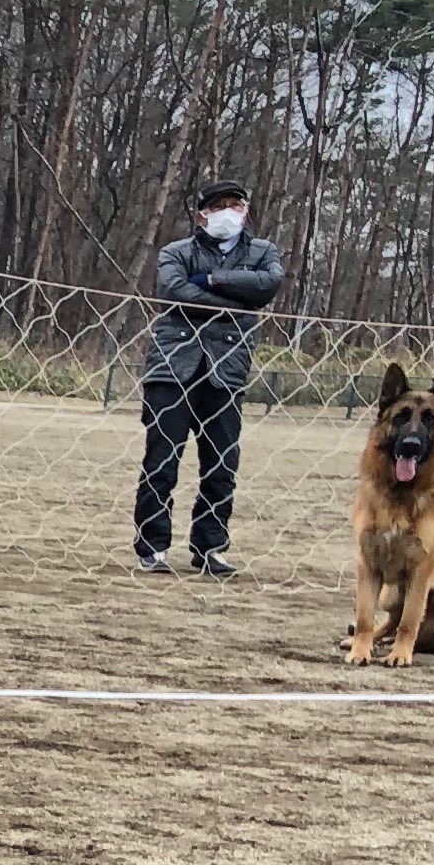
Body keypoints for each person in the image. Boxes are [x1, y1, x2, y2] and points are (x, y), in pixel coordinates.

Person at [133, 177, 283, 577]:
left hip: (228, 370)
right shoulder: (175, 251)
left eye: (236, 204)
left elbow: (268, 284)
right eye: (219, 206)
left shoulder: (263, 251)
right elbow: (174, 290)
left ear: (246, 211)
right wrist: (237, 302)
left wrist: (213, 280)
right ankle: (152, 546)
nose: (228, 212)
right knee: (161, 461)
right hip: (172, 368)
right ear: (202, 213)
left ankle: (211, 547)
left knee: (221, 464)